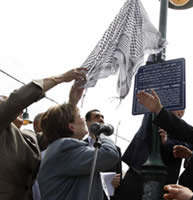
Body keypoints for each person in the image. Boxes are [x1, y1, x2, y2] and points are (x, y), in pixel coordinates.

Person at [0, 67, 86, 200]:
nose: (21, 110)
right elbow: (16, 101)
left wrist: (72, 103)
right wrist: (60, 78)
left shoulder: (29, 137)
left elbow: (56, 134)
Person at [37, 84, 120, 200]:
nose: (83, 120)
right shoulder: (65, 148)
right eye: (80, 117)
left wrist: (72, 102)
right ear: (71, 127)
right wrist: (101, 132)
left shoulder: (59, 148)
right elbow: (109, 155)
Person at [121, 110, 192, 200]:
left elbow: (189, 146)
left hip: (161, 181)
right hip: (136, 173)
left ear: (180, 113)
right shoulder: (151, 115)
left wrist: (167, 141)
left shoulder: (184, 130)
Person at [85, 109, 122, 200]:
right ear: (87, 123)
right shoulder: (78, 146)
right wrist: (105, 181)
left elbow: (118, 177)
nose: (101, 119)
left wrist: (116, 182)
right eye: (96, 117)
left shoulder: (115, 149)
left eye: (102, 117)